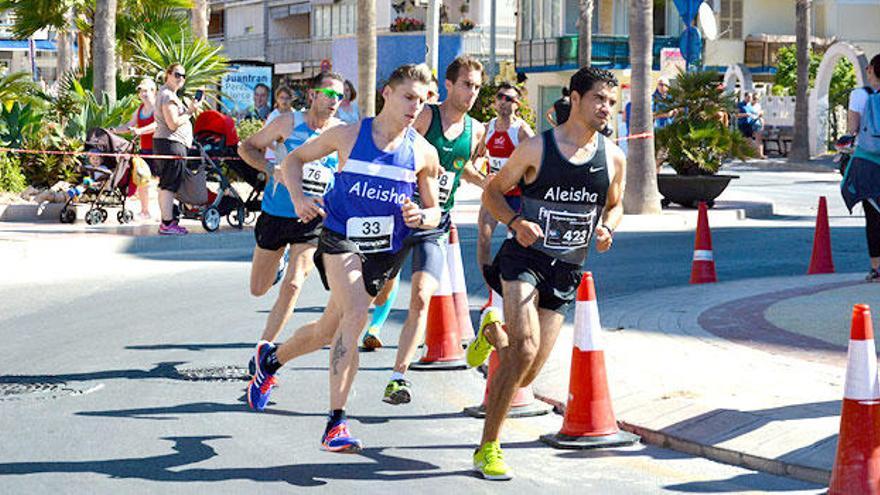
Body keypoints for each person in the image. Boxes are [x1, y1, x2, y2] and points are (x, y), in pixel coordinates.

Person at [245, 63, 442, 453]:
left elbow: (436, 209)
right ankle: (336, 422)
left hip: (383, 251)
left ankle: (270, 362)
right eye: (408, 97)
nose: (414, 107)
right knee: (355, 315)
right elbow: (294, 160)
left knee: (325, 330)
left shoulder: (423, 152)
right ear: (386, 93)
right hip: (339, 237)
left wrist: (422, 215)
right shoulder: (349, 134)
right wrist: (299, 199)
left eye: (421, 101)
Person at [466, 66, 626, 480]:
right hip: (524, 260)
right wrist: (516, 224)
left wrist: (608, 227)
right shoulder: (537, 148)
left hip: (567, 269)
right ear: (574, 99)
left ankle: (491, 332)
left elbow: (615, 204)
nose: (606, 108)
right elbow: (493, 191)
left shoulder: (613, 156)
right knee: (523, 350)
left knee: (528, 371)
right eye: (598, 99)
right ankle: (488, 447)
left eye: (611, 101)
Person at [378, 55, 488, 405]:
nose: (472, 92)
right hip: (397, 217)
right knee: (380, 293)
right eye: (467, 84)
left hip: (435, 222)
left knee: (422, 296)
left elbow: (462, 167)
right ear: (450, 85)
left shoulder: (477, 131)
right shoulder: (427, 116)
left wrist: (488, 183)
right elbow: (397, 148)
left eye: (477, 87)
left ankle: (398, 376)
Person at [237, 72, 344, 348]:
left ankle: (263, 353)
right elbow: (246, 148)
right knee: (258, 289)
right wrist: (272, 169)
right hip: (276, 214)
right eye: (330, 94)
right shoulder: (288, 122)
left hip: (310, 220)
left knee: (295, 284)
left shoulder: (339, 133)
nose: (335, 101)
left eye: (340, 97)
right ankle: (278, 264)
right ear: (312, 95)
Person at [476, 82, 534, 273]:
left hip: (517, 196)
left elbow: (535, 166)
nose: (503, 102)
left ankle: (513, 286)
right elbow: (476, 157)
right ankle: (490, 290)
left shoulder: (522, 131)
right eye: (500, 96)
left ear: (517, 104)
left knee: (518, 243)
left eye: (508, 99)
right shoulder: (487, 128)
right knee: (484, 238)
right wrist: (481, 176)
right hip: (494, 193)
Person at [842, 54, 880, 282]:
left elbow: (851, 130)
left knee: (873, 216)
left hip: (868, 162)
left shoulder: (859, 95)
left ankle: (877, 269)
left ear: (871, 70)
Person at [154, 63, 199, 236]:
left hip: (168, 143)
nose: (181, 78)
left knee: (167, 183)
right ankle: (167, 223)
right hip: (171, 144)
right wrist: (189, 112)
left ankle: (167, 221)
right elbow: (172, 123)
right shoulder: (167, 95)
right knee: (169, 185)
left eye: (183, 76)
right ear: (168, 74)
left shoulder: (167, 94)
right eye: (177, 74)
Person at [114, 77, 158, 220]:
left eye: (146, 90)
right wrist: (113, 130)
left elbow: (157, 125)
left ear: (153, 91)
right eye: (141, 91)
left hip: (159, 150)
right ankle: (145, 211)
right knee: (142, 180)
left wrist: (140, 130)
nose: (143, 94)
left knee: (163, 184)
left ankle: (167, 213)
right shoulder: (139, 109)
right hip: (145, 150)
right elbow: (129, 125)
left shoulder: (158, 107)